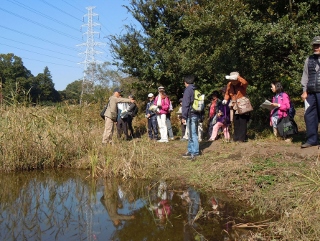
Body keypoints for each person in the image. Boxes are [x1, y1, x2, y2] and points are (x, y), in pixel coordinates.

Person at [301, 36, 320, 148]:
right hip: (311, 93)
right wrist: (304, 91)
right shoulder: (309, 60)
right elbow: (305, 76)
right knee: (310, 116)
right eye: (314, 45)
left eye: (318, 45)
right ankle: (312, 139)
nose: (316, 47)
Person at [223, 72, 250, 142]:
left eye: (234, 79)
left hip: (242, 102)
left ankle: (242, 138)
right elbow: (227, 93)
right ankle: (236, 137)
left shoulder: (241, 83)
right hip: (234, 103)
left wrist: (238, 77)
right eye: (232, 80)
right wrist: (225, 99)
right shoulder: (229, 84)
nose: (233, 81)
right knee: (236, 120)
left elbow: (245, 83)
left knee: (242, 120)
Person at [181, 75, 200, 159]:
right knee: (192, 133)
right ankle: (190, 150)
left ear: (186, 82)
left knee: (192, 134)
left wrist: (183, 116)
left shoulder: (188, 90)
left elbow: (185, 104)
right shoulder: (195, 89)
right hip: (196, 113)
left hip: (190, 114)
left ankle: (194, 152)